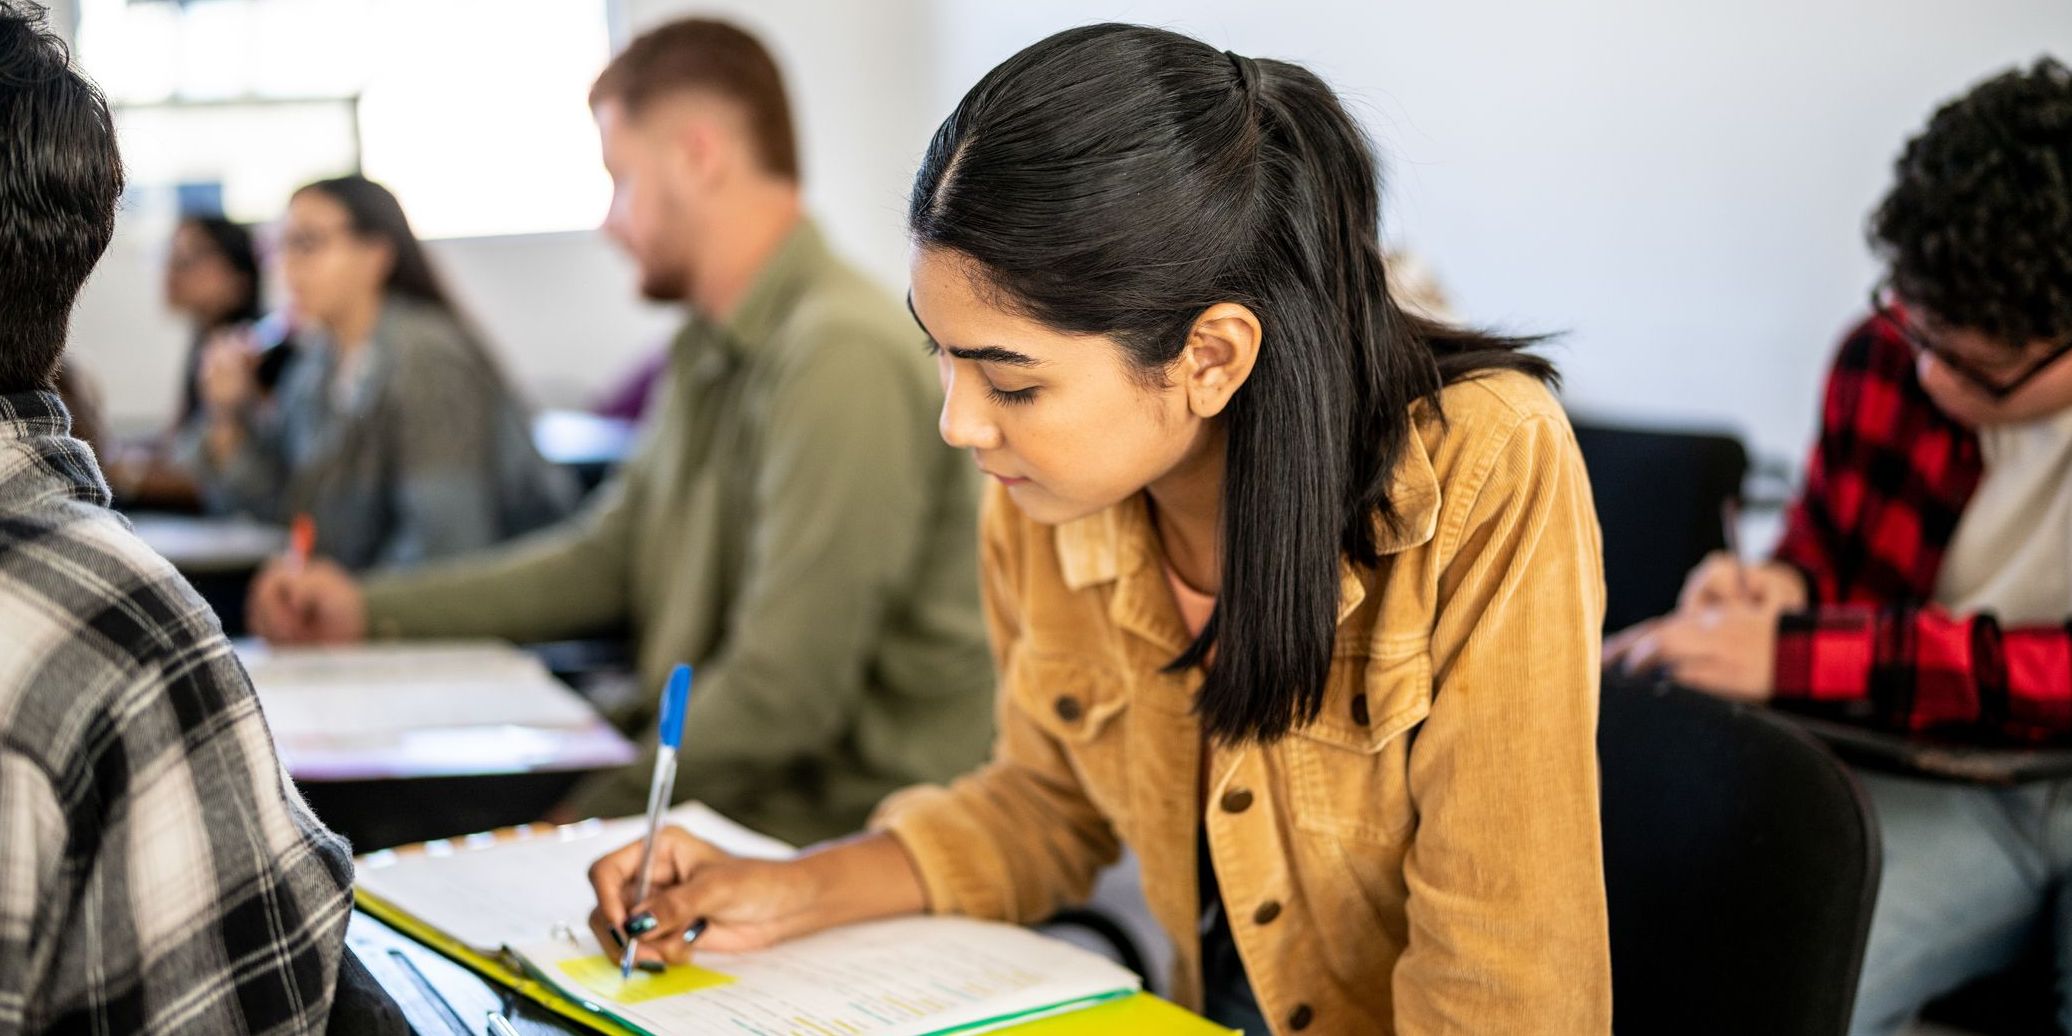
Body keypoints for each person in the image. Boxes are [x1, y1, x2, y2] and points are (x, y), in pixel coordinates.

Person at [582, 24, 1611, 1035]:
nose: (959, 423)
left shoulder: (1487, 471)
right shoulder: (1044, 487)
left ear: (1210, 357)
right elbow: (1044, 804)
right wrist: (789, 889)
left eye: (1011, 381)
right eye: (940, 356)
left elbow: (1499, 979)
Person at [245, 19, 995, 845]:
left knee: (365, 836)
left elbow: (786, 692)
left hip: (822, 820)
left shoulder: (836, 352)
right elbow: (602, 557)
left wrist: (579, 820)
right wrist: (366, 610)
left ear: (697, 156)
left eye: (620, 179)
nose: (610, 221)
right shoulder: (707, 346)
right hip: (714, 781)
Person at [1606, 58, 2072, 1035]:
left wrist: (1794, 655)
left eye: (1972, 366)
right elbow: (1827, 549)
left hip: (2034, 783)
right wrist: (1776, 585)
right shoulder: (1886, 356)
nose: (1928, 372)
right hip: (1882, 757)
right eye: (1916, 326)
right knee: (1684, 962)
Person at [0, 3, 354, 1030]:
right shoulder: (245, 359)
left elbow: (264, 498)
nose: (290, 263)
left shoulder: (313, 362)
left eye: (309, 242)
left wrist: (230, 420)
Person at [180, 175, 577, 570]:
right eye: (280, 246)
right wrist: (228, 418)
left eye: (306, 243)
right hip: (386, 608)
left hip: (487, 612)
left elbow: (446, 548)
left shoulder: (426, 359)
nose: (286, 266)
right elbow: (286, 509)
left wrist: (342, 603)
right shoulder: (318, 364)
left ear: (376, 254)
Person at [106, 214, 291, 508]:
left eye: (186, 259)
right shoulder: (204, 339)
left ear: (238, 277)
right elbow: (178, 441)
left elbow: (222, 477)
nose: (171, 272)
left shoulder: (257, 352)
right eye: (170, 256)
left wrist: (128, 474)